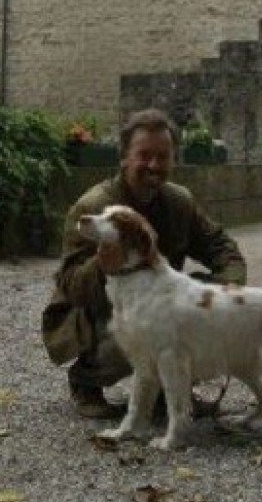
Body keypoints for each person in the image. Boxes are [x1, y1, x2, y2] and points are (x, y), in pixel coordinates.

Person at [41, 108, 247, 418]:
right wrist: (101, 267)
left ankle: (170, 389)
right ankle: (86, 378)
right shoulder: (94, 208)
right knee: (142, 326)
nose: (154, 165)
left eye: (163, 156)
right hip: (97, 313)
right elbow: (69, 286)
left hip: (156, 308)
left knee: (203, 310)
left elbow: (221, 247)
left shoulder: (180, 202)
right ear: (124, 157)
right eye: (144, 156)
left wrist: (228, 288)